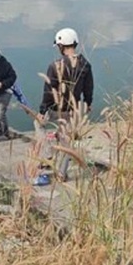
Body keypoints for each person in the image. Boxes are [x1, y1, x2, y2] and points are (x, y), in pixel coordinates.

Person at [33, 27, 94, 186]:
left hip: (55, 108)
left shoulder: (55, 65)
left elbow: (49, 91)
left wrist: (42, 110)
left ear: (61, 46)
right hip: (72, 110)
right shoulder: (85, 65)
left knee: (38, 124)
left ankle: (47, 154)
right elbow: (88, 87)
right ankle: (62, 174)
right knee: (66, 141)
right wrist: (88, 103)